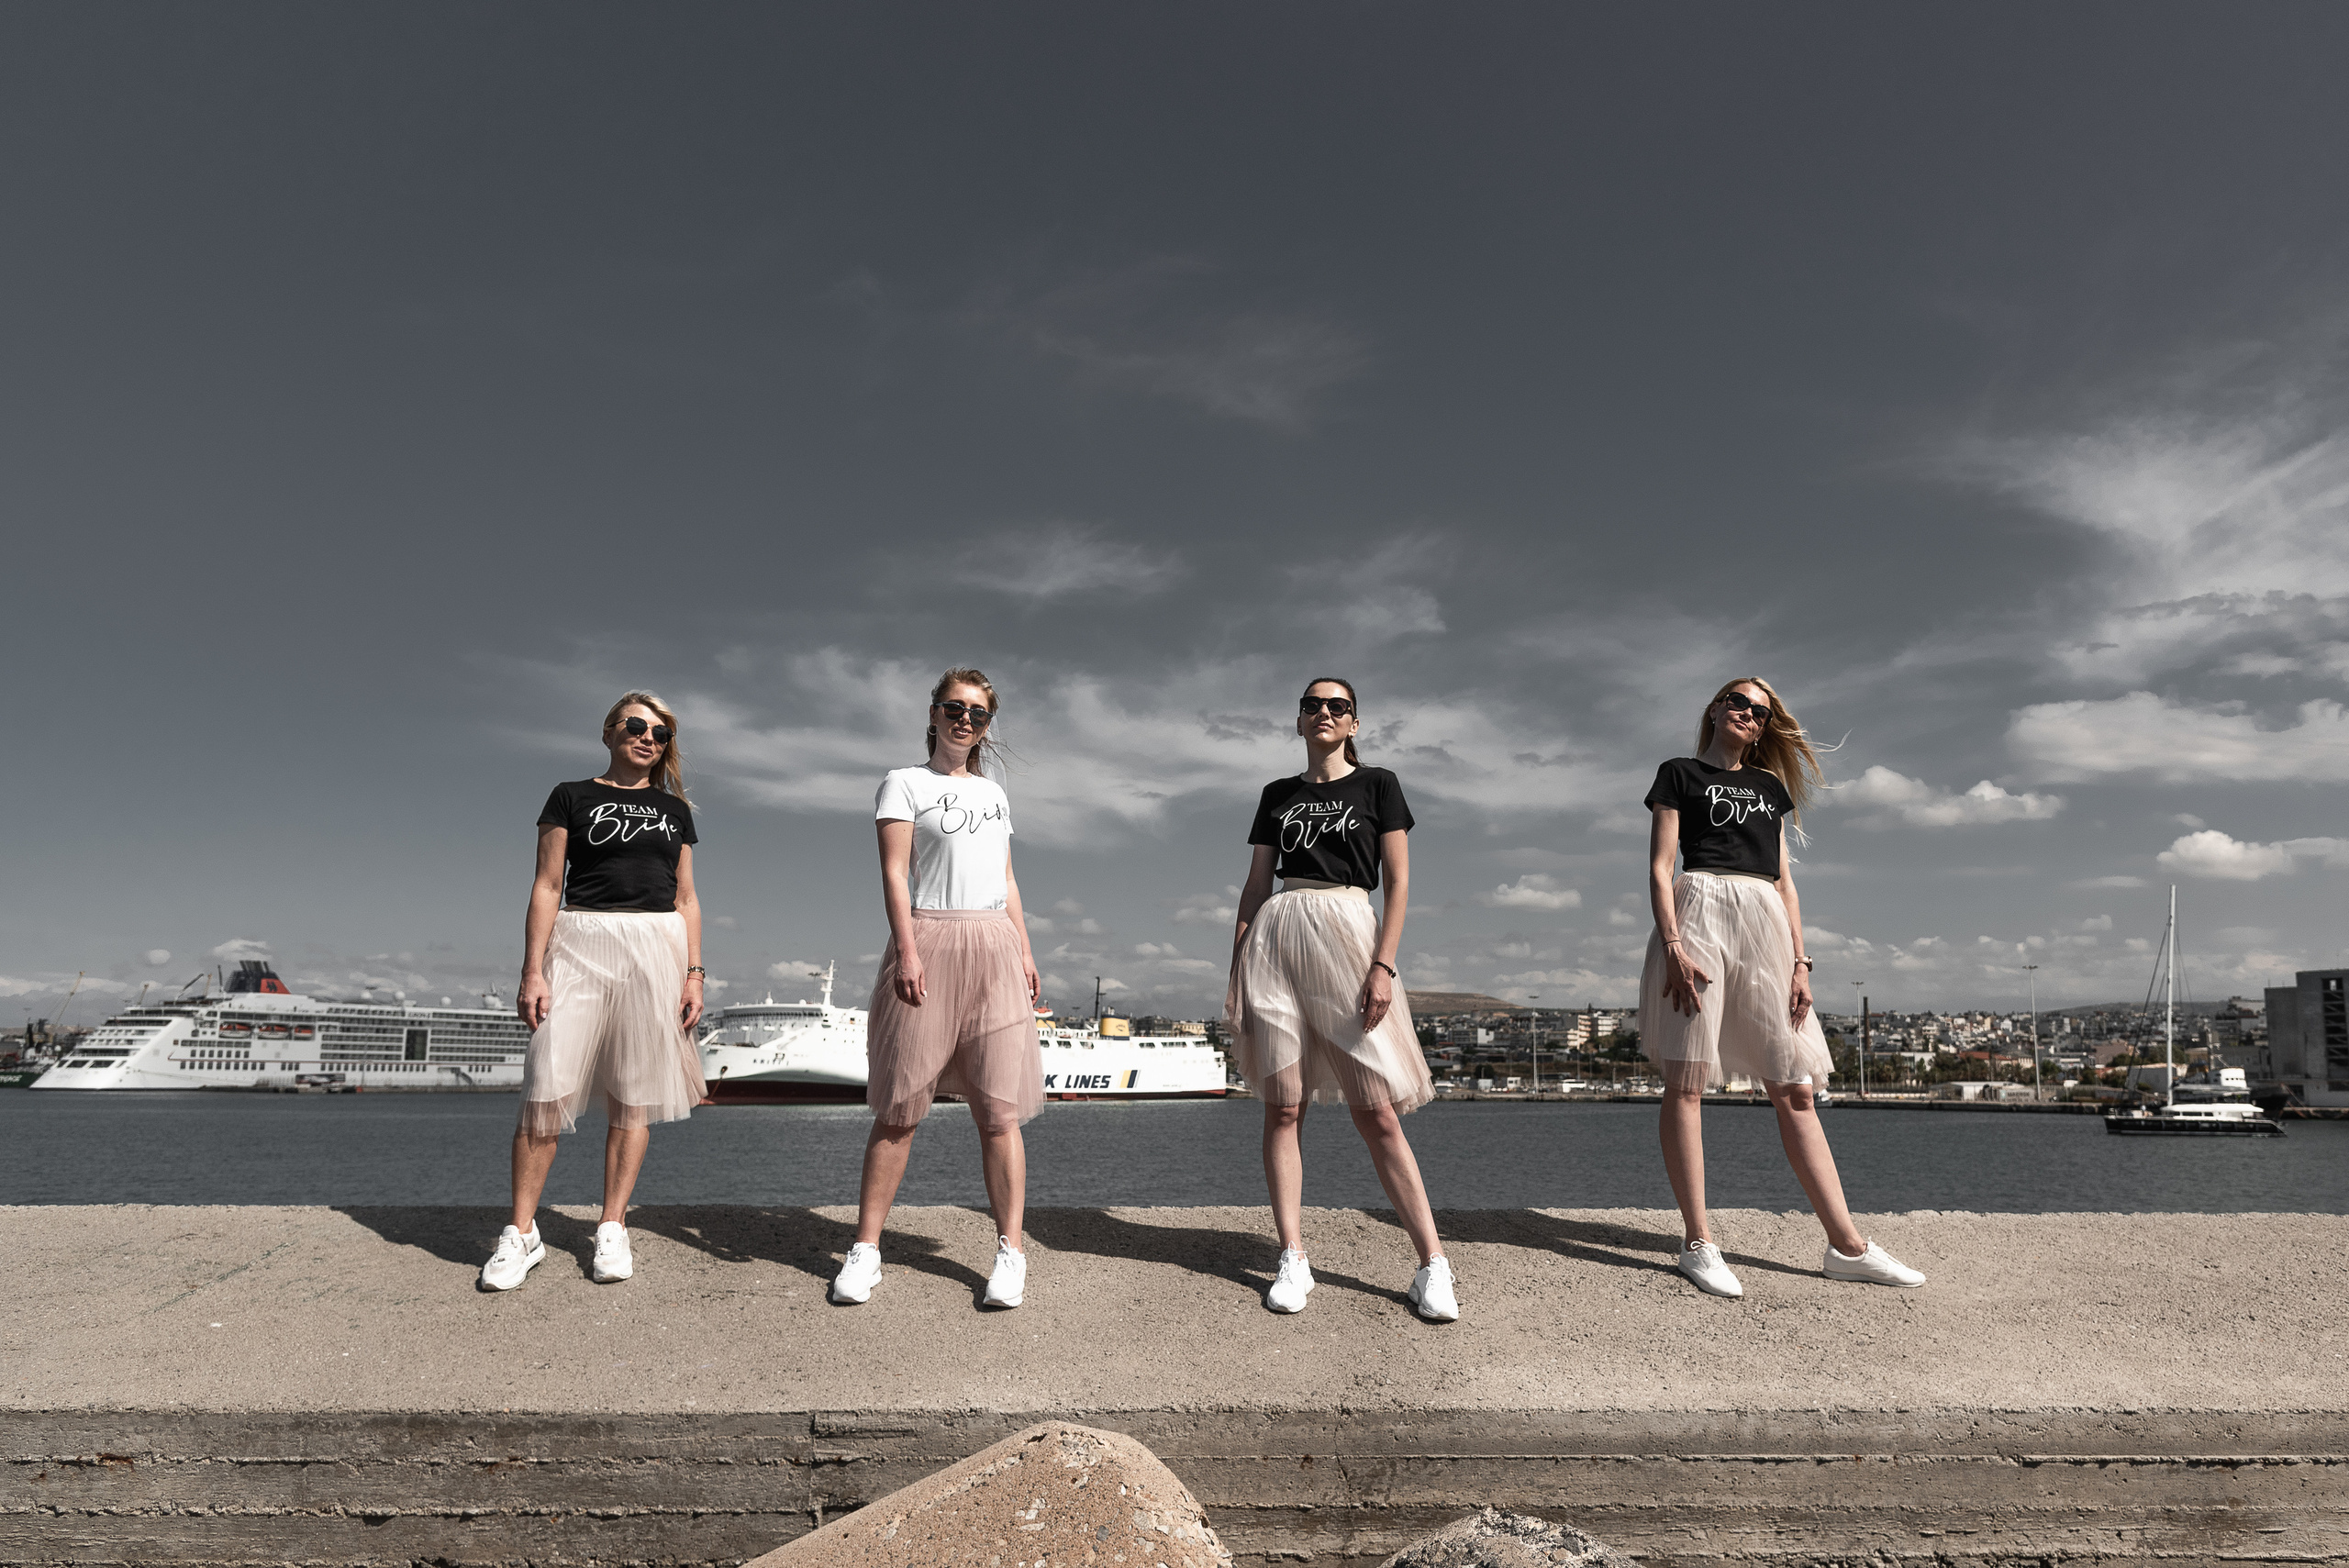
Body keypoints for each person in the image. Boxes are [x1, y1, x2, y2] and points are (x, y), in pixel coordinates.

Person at [1640, 677, 1925, 1296]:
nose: (1749, 714)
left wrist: (1802, 961)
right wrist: (1673, 946)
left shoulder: (1770, 788)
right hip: (1698, 914)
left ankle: (1846, 1245)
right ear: (1716, 709)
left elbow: (1785, 881)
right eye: (1740, 703)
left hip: (1765, 922)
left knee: (1795, 1085)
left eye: (1761, 712)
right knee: (1687, 1081)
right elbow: (1661, 868)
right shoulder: (1679, 774)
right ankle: (1698, 1243)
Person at [1226, 678, 1457, 1322]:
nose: (1323, 712)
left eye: (1337, 706)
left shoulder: (1378, 785)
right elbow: (1253, 887)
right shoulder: (1277, 795)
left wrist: (1383, 964)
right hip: (1276, 937)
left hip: (1349, 932)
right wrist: (1237, 967)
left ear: (1354, 722)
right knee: (1284, 1107)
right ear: (1298, 720)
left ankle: (1433, 1263)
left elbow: (1400, 881)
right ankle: (1293, 1255)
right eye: (1312, 705)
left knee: (1376, 1110)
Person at [478, 692, 708, 1293]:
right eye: (636, 726)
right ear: (609, 731)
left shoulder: (674, 809)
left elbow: (686, 897)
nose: (647, 738)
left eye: (660, 732)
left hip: (656, 944)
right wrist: (533, 969)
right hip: (579, 937)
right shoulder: (570, 795)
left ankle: (612, 1225)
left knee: (634, 1096)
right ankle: (521, 1232)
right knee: (546, 1084)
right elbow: (547, 884)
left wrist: (694, 971)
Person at [831, 668, 1044, 1310]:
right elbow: (895, 874)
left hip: (994, 945)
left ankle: (1010, 1250)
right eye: (955, 709)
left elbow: (1006, 878)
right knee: (900, 1107)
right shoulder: (904, 782)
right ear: (934, 712)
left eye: (978, 713)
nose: (966, 721)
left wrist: (1026, 948)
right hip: (929, 934)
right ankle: (866, 1248)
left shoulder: (995, 793)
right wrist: (908, 949)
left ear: (987, 724)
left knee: (999, 1113)